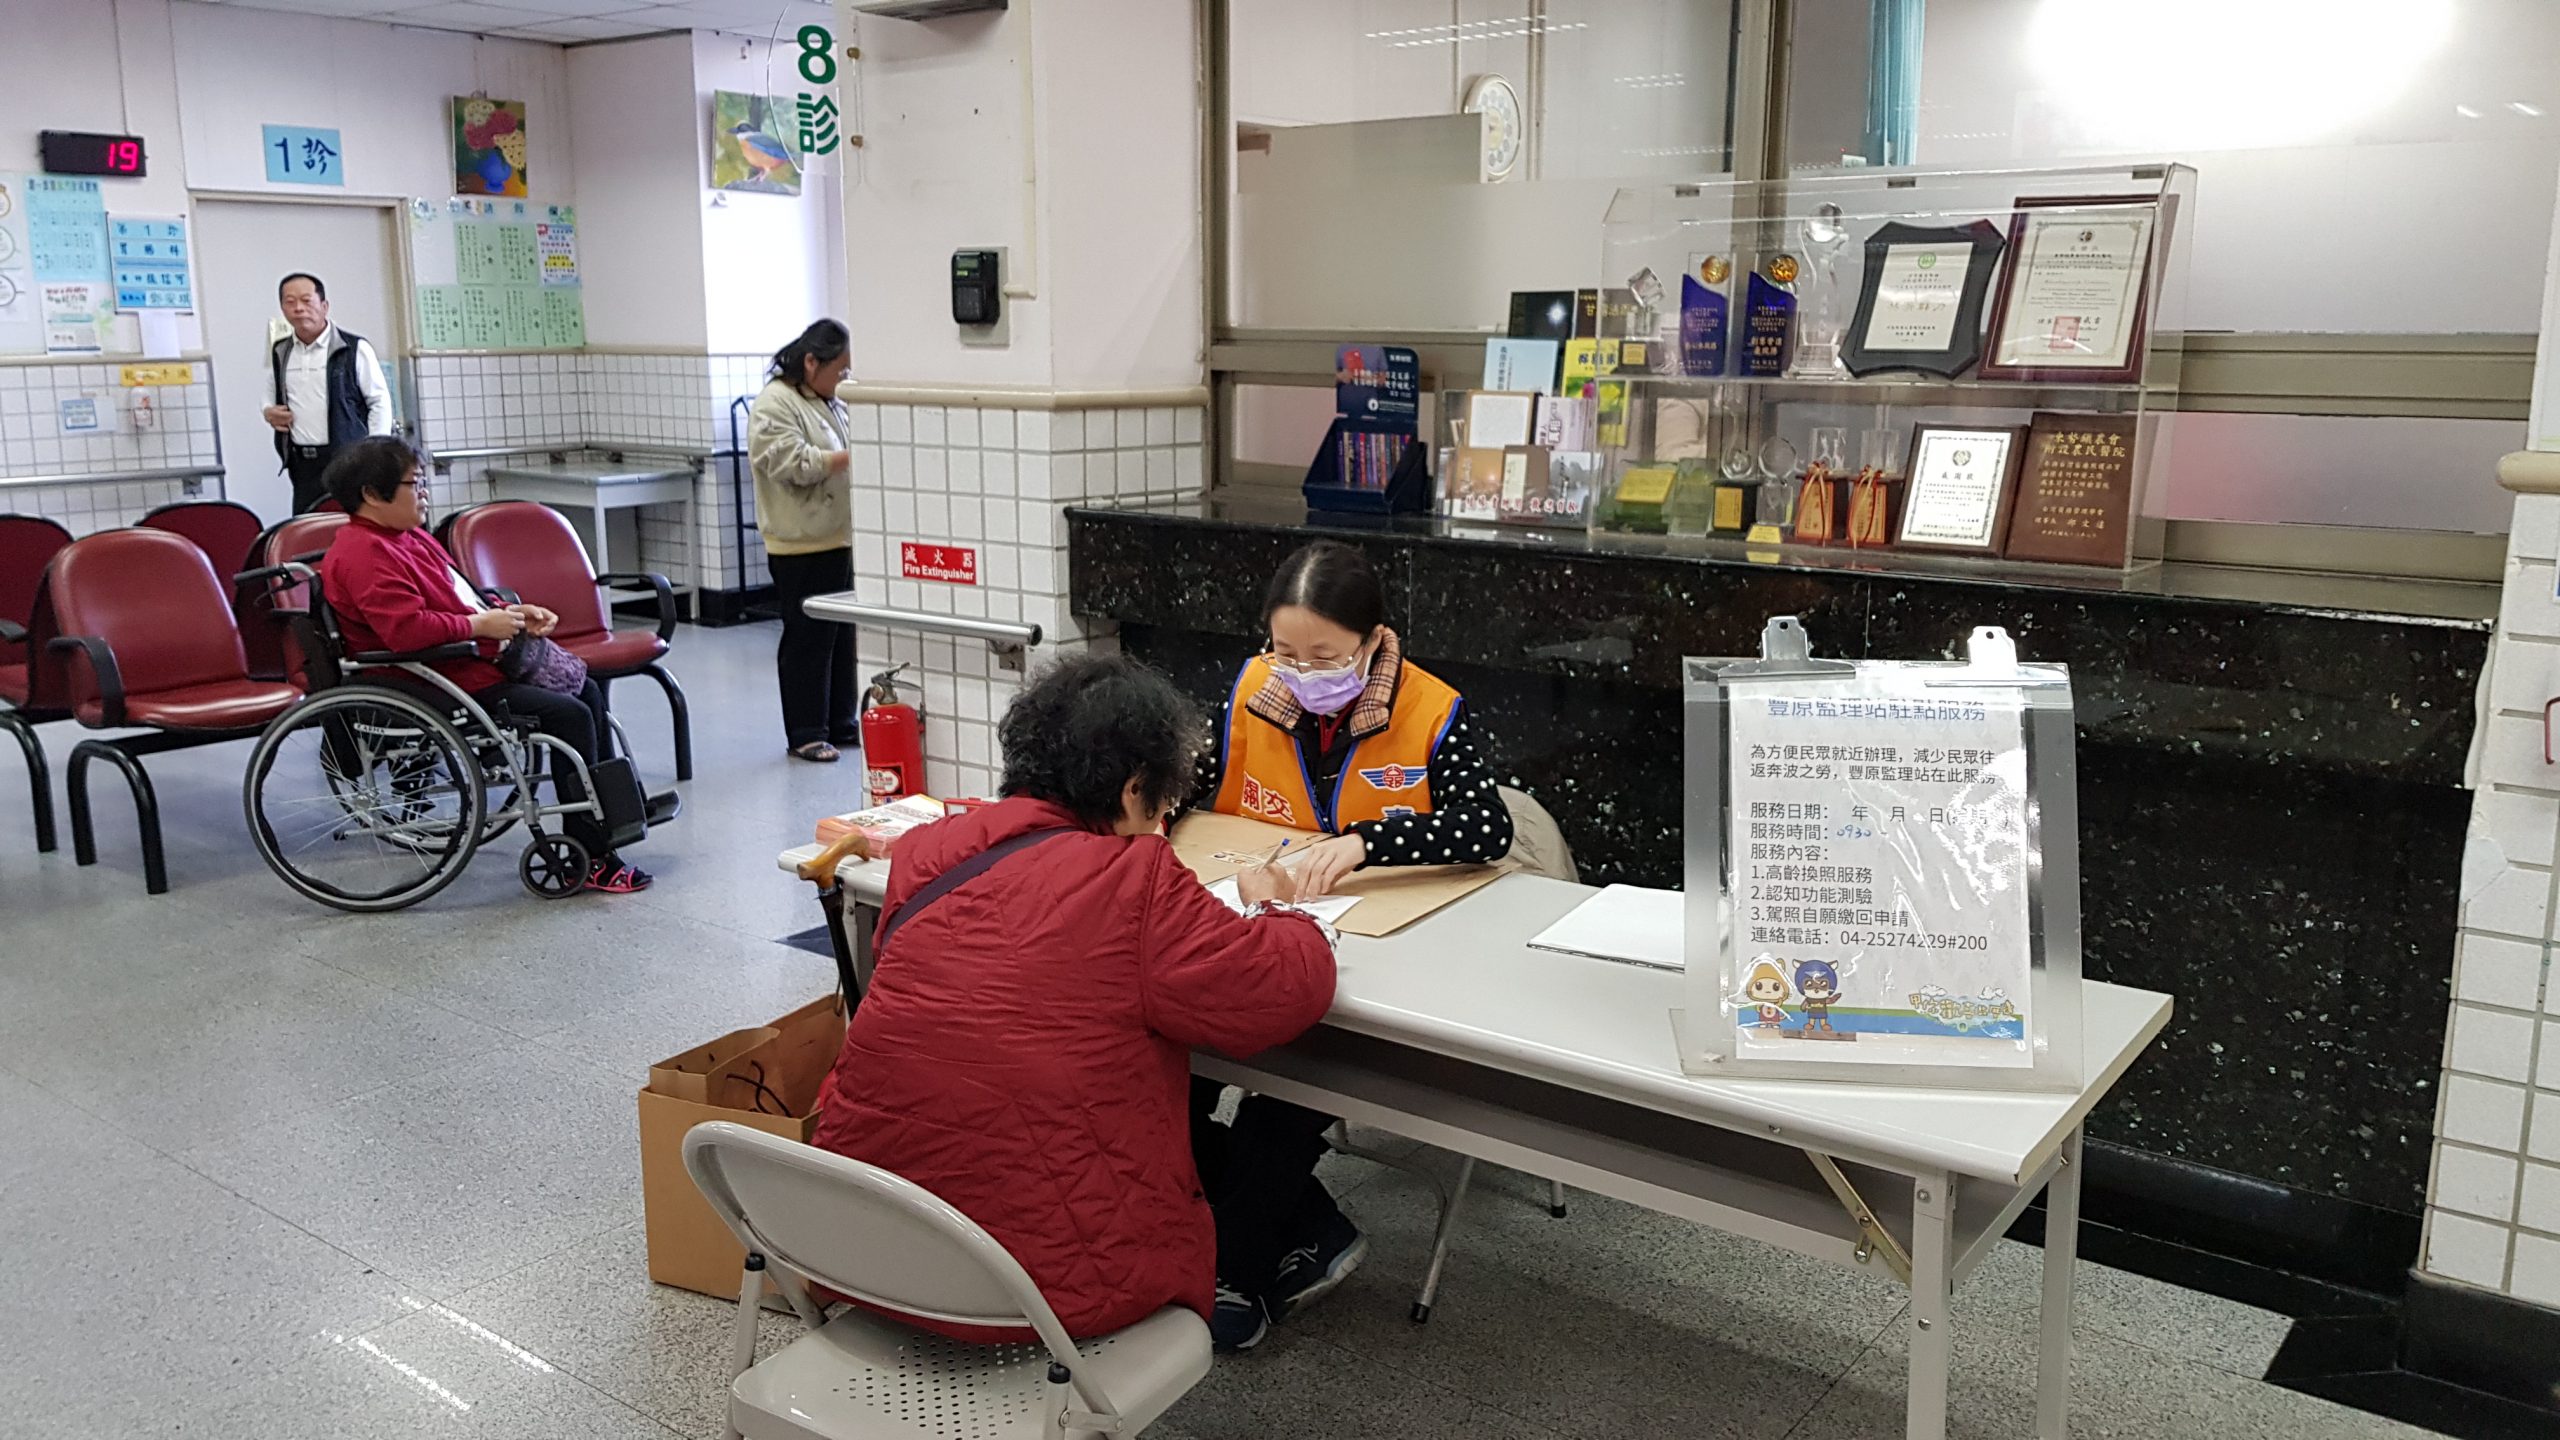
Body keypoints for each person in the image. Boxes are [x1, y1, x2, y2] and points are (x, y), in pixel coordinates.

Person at [811, 654, 1337, 1351]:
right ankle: (1287, 1241)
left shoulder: (928, 853)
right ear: (1132, 791)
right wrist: (1286, 915)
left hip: (860, 1244)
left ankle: (1309, 1229)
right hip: (1046, 1288)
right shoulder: (1134, 880)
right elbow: (1276, 993)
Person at [1187, 537, 1516, 1340]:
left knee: (1291, 1092)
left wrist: (1371, 842)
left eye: (1323, 655)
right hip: (1250, 936)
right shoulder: (1253, 691)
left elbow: (1487, 828)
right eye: (1284, 650)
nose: (1299, 670)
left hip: (1378, 954)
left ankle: (1232, 1269)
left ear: (1372, 642)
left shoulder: (1433, 709)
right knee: (1173, 1079)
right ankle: (1309, 1234)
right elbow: (1188, 786)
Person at [318, 437, 652, 894]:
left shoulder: (408, 537)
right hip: (430, 679)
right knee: (567, 714)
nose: (424, 493)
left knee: (586, 691)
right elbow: (406, 631)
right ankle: (592, 851)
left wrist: (511, 613)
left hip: (466, 663)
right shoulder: (363, 554)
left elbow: (460, 596)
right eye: (414, 484)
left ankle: (610, 814)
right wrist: (480, 624)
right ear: (372, 495)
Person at [748, 319, 858, 762]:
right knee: (807, 638)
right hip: (799, 543)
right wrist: (853, 457)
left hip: (838, 535)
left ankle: (840, 720)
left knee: (841, 635)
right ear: (811, 362)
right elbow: (790, 462)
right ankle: (805, 731)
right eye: (841, 369)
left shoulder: (827, 400)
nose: (844, 379)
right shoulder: (776, 403)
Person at [268, 273, 394, 514]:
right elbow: (271, 390)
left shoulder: (353, 347)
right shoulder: (281, 350)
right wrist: (268, 411)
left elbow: (379, 401)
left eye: (306, 301)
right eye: (290, 301)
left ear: (324, 306)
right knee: (307, 529)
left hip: (349, 459)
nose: (298, 309)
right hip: (302, 463)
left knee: (352, 523)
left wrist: (374, 452)